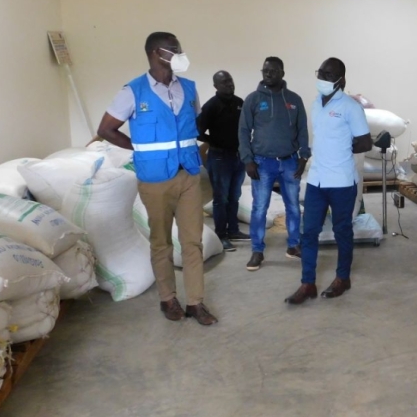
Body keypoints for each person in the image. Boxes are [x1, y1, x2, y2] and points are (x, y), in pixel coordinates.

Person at [97, 32, 217, 326]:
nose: (180, 53)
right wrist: (137, 148)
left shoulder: (189, 88)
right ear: (155, 53)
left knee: (192, 242)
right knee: (161, 242)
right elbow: (105, 129)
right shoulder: (133, 91)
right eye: (174, 49)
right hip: (154, 179)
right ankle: (168, 298)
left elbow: (191, 125)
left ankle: (196, 302)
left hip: (188, 174)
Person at [285, 57, 372, 305]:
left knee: (342, 231)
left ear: (340, 80)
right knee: (309, 232)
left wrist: (344, 147)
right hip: (317, 180)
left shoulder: (350, 107)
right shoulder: (316, 104)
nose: (322, 78)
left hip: (342, 181)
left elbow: (365, 142)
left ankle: (343, 278)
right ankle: (307, 283)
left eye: (328, 74)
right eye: (320, 72)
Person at [239, 57, 310, 271]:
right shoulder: (253, 99)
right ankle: (257, 251)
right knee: (259, 208)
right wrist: (248, 160)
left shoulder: (294, 99)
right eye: (265, 70)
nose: (268, 74)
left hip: (289, 162)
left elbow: (302, 129)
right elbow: (243, 131)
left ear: (282, 73)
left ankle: (293, 246)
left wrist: (303, 157)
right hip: (262, 163)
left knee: (293, 207)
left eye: (273, 71)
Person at [196, 71, 250, 252]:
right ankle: (221, 235)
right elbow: (197, 130)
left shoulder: (240, 103)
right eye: (224, 82)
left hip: (238, 157)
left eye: (230, 80)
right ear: (216, 86)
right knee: (221, 199)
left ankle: (233, 230)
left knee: (235, 196)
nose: (229, 84)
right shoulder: (211, 106)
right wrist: (213, 141)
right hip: (219, 158)